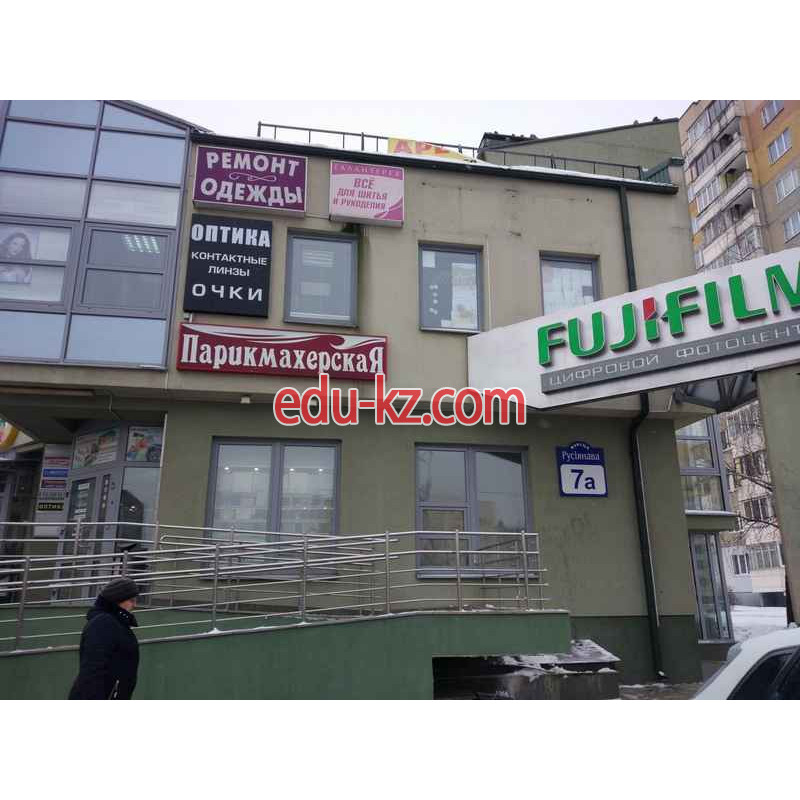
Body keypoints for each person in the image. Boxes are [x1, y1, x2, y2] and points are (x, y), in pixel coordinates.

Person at [68, 577, 140, 700]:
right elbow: (93, 668)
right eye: (131, 600)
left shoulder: (116, 623)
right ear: (118, 600)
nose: (134, 605)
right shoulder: (104, 623)